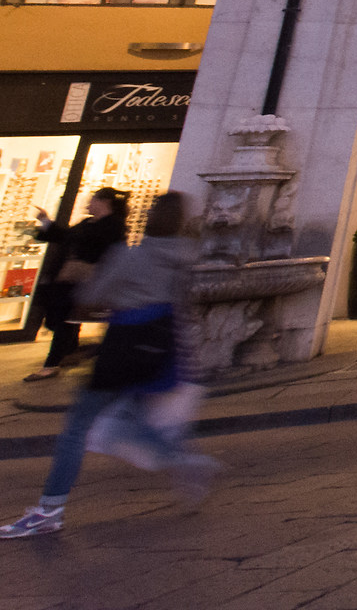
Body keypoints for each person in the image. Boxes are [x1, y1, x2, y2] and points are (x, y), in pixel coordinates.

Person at [1, 192, 214, 538]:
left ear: (150, 219)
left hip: (122, 349)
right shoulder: (185, 259)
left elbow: (90, 296)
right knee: (133, 415)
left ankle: (49, 509)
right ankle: (185, 460)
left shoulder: (128, 257)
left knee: (77, 425)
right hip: (160, 351)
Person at [23, 188, 128, 382]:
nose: (88, 203)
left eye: (92, 200)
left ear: (104, 202)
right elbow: (65, 236)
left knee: (65, 319)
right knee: (62, 318)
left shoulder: (113, 225)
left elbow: (108, 251)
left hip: (87, 281)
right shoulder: (88, 222)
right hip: (68, 279)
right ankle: (70, 352)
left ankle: (52, 363)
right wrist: (45, 221)